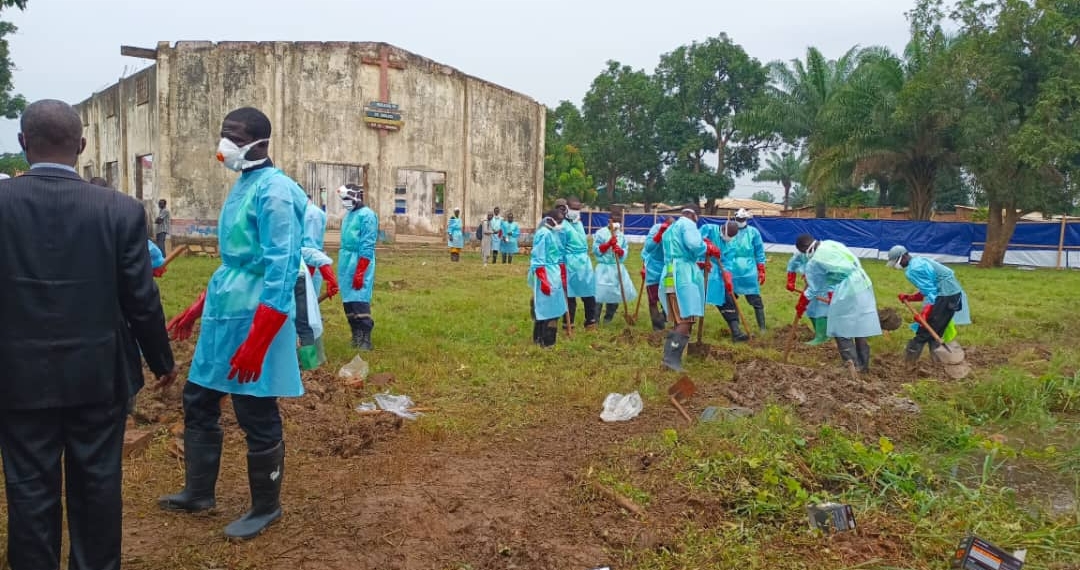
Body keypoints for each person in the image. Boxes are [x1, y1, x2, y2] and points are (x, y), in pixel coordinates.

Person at [0, 99, 175, 570]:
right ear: (80, 147)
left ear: (22, 145)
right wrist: (162, 362)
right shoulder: (120, 211)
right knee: (97, 484)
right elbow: (141, 299)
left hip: (16, 379)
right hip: (98, 376)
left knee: (28, 489)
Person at [161, 107, 306, 540]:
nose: (224, 143)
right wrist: (199, 304)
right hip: (226, 310)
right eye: (223, 133)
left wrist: (259, 341)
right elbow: (236, 260)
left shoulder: (277, 192)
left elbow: (281, 269)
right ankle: (198, 492)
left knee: (254, 408)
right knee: (199, 398)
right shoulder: (245, 184)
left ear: (259, 141)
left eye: (233, 135)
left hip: (259, 313)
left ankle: (266, 506)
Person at [795, 233, 882, 373]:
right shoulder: (831, 243)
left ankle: (853, 367)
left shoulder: (814, 261)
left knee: (840, 327)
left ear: (805, 249)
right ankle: (864, 366)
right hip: (864, 282)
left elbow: (814, 288)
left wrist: (802, 303)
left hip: (848, 289)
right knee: (859, 325)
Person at [659, 204, 721, 371]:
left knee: (678, 316)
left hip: (670, 273)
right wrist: (707, 247)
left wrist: (698, 262)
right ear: (695, 216)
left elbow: (679, 252)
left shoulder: (670, 229)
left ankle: (670, 358)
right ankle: (671, 360)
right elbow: (694, 245)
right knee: (686, 316)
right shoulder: (688, 224)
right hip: (684, 275)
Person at [887, 245, 971, 365]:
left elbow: (932, 293)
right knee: (935, 331)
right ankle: (936, 362)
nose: (895, 265)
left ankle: (908, 364)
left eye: (896, 261)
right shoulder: (918, 261)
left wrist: (924, 314)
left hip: (945, 297)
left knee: (923, 332)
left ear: (904, 256)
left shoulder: (914, 269)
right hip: (952, 295)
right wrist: (910, 297)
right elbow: (928, 289)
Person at [338, 183, 379, 350]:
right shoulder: (348, 215)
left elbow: (367, 244)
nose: (345, 202)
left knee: (359, 298)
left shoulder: (367, 216)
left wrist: (360, 270)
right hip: (345, 261)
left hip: (360, 260)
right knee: (348, 299)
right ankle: (355, 333)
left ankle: (365, 337)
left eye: (347, 199)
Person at [556, 196, 598, 331]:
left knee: (589, 294)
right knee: (570, 296)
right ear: (567, 208)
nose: (576, 211)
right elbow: (560, 247)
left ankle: (590, 322)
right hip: (570, 263)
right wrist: (561, 265)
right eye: (573, 208)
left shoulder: (579, 223)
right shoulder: (562, 226)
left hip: (584, 263)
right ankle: (569, 324)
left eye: (578, 209)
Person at [700, 220, 746, 342]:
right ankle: (678, 326)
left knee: (727, 299)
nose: (728, 238)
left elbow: (728, 262)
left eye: (731, 237)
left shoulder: (731, 244)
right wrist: (706, 245)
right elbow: (694, 244)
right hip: (699, 269)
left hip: (717, 274)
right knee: (690, 300)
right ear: (723, 229)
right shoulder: (708, 229)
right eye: (727, 235)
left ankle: (736, 333)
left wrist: (727, 276)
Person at [530, 210, 568, 346]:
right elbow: (538, 259)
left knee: (549, 306)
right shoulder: (544, 234)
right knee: (548, 307)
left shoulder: (552, 233)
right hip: (546, 272)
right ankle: (546, 340)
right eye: (558, 220)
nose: (560, 223)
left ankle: (540, 338)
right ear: (549, 220)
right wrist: (543, 280)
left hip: (553, 272)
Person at [727, 208, 768, 332]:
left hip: (749, 270)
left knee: (755, 299)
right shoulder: (729, 231)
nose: (740, 221)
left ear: (746, 219)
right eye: (738, 219)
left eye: (742, 219)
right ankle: (736, 329)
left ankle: (762, 328)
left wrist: (761, 268)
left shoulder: (753, 232)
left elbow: (759, 251)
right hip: (732, 269)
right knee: (731, 300)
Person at [592, 217, 638, 324]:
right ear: (609, 221)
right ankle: (595, 320)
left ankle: (608, 318)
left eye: (619, 222)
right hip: (604, 268)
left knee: (616, 293)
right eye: (615, 221)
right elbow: (596, 250)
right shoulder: (600, 233)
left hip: (616, 268)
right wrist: (608, 244)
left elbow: (625, 250)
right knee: (599, 294)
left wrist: (620, 251)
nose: (617, 224)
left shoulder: (621, 235)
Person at [786, 251, 829, 345]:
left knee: (822, 306)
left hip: (824, 281)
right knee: (810, 306)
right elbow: (793, 263)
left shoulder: (821, 254)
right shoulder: (801, 253)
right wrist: (790, 280)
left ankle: (822, 336)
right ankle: (818, 333)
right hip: (810, 280)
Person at [641, 217, 672, 330]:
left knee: (669, 296)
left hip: (669, 270)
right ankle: (657, 329)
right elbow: (648, 248)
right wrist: (659, 234)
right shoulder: (656, 229)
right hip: (654, 269)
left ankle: (664, 317)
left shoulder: (677, 233)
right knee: (653, 300)